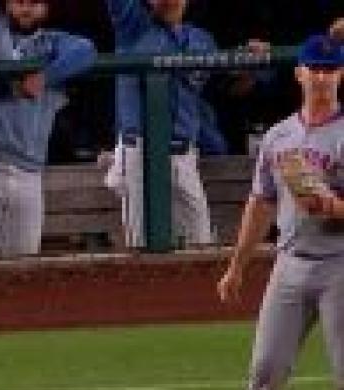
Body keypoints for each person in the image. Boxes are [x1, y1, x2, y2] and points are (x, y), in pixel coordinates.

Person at [217, 35, 344, 390]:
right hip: (288, 266)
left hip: (339, 266)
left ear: (341, 74)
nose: (322, 78)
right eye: (315, 69)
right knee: (265, 370)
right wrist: (237, 266)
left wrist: (333, 206)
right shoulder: (278, 136)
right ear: (299, 73)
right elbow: (260, 203)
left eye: (330, 69)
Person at [103, 0, 268, 248]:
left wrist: (250, 66)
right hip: (141, 152)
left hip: (184, 154)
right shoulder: (132, 25)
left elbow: (230, 89)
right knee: (142, 248)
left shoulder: (202, 39)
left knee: (201, 244)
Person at [0, 0, 96, 258]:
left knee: (25, 265)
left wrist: (45, 78)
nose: (26, 8)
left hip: (30, 169)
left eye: (35, 2)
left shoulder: (52, 43)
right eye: (19, 1)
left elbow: (86, 51)